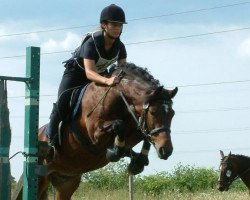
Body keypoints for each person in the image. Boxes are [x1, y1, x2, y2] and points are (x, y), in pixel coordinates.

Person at [46, 4, 127, 157]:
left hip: (100, 75)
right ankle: (50, 141)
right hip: (76, 75)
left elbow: (124, 70)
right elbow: (89, 73)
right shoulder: (91, 43)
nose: (118, 28)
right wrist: (108, 81)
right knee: (62, 102)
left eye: (120, 25)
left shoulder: (120, 47)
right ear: (104, 25)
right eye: (114, 25)